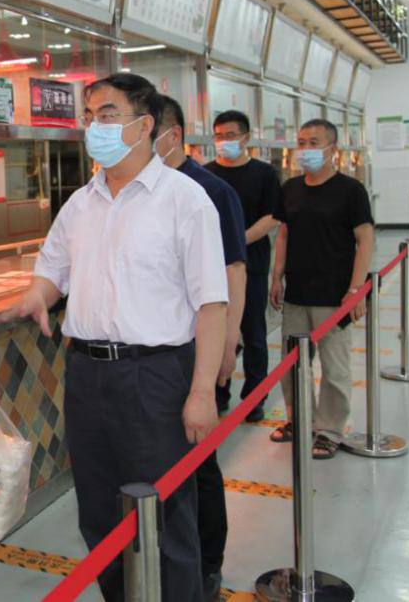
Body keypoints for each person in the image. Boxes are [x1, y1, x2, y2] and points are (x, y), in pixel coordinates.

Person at [3, 74, 227, 602]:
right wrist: (38, 294)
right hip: (87, 373)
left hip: (155, 375)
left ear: (144, 126)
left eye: (106, 115)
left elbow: (211, 304)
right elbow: (52, 268)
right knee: (100, 512)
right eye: (89, 117)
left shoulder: (185, 200)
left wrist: (201, 392)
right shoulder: (82, 203)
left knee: (165, 514)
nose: (93, 127)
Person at [155, 95, 246, 602]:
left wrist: (228, 341)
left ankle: (209, 563)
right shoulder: (140, 190)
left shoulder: (211, 190)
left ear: (169, 134)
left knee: (200, 462)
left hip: (200, 347)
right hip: (159, 356)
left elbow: (234, 270)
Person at [269, 119, 374, 459]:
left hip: (334, 296)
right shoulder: (290, 188)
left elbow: (365, 239)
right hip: (297, 294)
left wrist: (356, 289)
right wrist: (277, 275)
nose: (305, 149)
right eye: (301, 142)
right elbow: (284, 233)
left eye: (313, 143)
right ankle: (298, 418)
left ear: (332, 149)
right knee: (291, 364)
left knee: (334, 368)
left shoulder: (351, 191)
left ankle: (329, 430)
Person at [205, 110, 282, 421]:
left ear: (246, 137)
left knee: (253, 332)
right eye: (219, 136)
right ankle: (218, 392)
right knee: (215, 331)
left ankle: (255, 396)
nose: (224, 141)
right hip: (213, 269)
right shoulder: (206, 175)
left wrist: (237, 241)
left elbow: (272, 217)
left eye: (230, 135)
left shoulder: (264, 174)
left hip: (252, 265)